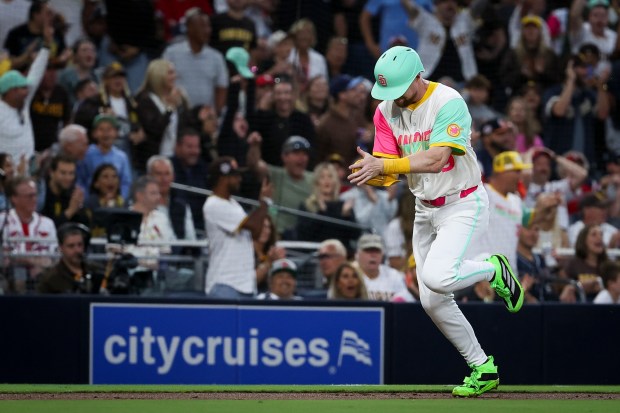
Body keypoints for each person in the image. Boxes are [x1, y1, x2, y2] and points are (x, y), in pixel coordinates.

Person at [348, 46, 525, 397]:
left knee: (439, 277)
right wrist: (373, 172)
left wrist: (385, 167)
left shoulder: (448, 100)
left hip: (463, 201)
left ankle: (494, 270)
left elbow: (436, 159)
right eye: (387, 91)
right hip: (424, 206)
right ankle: (482, 366)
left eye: (399, 88)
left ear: (418, 75)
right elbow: (390, 164)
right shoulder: (385, 109)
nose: (393, 98)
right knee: (431, 300)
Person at [203, 156, 272, 298]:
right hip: (225, 284)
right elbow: (254, 227)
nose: (239, 179)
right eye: (235, 176)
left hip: (243, 285)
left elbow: (256, 232)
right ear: (223, 178)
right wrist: (264, 201)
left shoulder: (233, 204)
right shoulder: (214, 204)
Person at [162, 8, 228, 112]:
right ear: (189, 27)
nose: (207, 30)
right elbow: (163, 83)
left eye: (208, 26)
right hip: (178, 115)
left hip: (205, 120)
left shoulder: (216, 57)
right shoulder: (171, 53)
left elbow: (221, 88)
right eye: (202, 26)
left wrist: (217, 114)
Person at [0, 176, 57, 293]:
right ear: (14, 198)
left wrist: (23, 259)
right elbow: (4, 258)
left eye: (35, 194)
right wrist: (32, 260)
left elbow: (52, 258)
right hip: (7, 275)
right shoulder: (2, 220)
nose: (34, 199)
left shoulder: (47, 223)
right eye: (29, 196)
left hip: (41, 276)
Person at [0, 40, 49, 163]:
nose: (27, 92)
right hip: (6, 176)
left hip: (28, 173)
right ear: (11, 91)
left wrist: (46, 48)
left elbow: (36, 74)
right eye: (23, 88)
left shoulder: (24, 104)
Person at [77, 114, 133, 199]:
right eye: (101, 129)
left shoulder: (122, 157)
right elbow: (80, 180)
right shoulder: (87, 154)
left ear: (116, 133)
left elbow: (126, 183)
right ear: (94, 133)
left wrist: (120, 199)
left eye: (109, 129)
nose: (105, 133)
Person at [37, 222, 102, 294]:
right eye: (71, 246)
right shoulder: (49, 279)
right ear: (61, 248)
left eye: (80, 245)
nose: (77, 250)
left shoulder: (96, 271)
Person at [353, 233, 414, 302]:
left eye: (377, 251)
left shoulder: (394, 276)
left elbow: (407, 297)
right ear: (358, 254)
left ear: (382, 254)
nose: (373, 255)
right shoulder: (351, 274)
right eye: (368, 251)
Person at [38, 154, 89, 228]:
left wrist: (79, 209)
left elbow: (84, 226)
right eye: (63, 173)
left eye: (71, 173)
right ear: (51, 173)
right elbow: (44, 228)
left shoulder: (73, 194)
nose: (68, 178)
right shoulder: (41, 194)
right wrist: (70, 211)